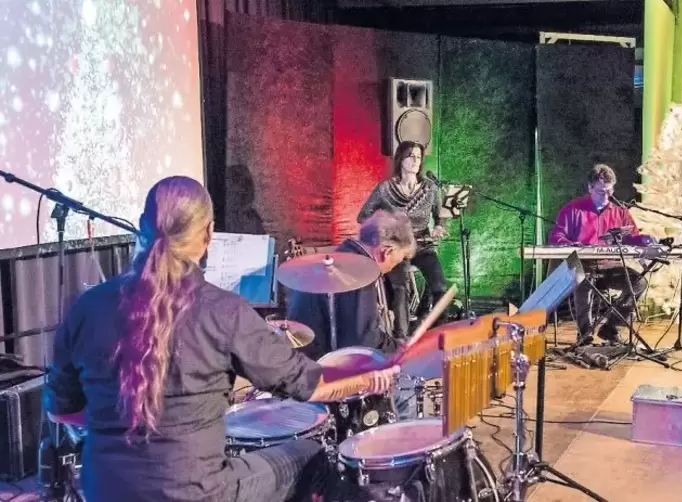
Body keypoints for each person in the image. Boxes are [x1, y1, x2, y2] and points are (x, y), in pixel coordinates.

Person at [43, 176, 398, 502]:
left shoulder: (87, 308)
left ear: (141, 226)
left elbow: (62, 411)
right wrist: (369, 378)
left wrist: (129, 415)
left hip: (106, 488)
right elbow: (308, 385)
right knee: (312, 455)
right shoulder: (223, 311)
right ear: (209, 234)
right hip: (196, 492)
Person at [287, 209, 416, 361]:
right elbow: (363, 340)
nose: (393, 268)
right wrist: (399, 348)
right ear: (386, 252)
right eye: (397, 261)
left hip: (301, 358)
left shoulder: (343, 257)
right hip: (319, 368)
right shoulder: (358, 273)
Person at [549, 164, 653, 343]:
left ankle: (611, 327)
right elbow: (556, 235)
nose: (606, 196)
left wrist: (646, 241)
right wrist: (571, 245)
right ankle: (585, 335)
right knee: (583, 282)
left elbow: (632, 237)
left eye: (610, 191)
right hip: (583, 264)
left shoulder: (620, 211)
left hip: (609, 265)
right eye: (600, 191)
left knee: (639, 282)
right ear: (590, 187)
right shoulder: (573, 209)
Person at [357, 140, 448, 339]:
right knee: (401, 289)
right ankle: (402, 339)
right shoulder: (385, 189)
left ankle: (429, 330)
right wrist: (386, 227)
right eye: (411, 156)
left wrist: (440, 226)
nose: (416, 160)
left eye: (418, 156)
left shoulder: (430, 188)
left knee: (441, 288)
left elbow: (440, 215)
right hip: (398, 248)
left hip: (423, 246)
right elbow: (363, 216)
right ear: (401, 159)